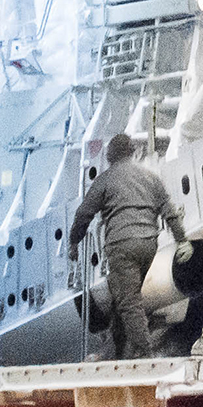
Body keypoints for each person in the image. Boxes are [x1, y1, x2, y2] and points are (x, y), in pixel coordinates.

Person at [74, 132, 178, 360]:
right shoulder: (149, 177)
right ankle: (131, 349)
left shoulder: (107, 179)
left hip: (123, 246)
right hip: (150, 243)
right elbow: (169, 210)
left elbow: (84, 213)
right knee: (129, 301)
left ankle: (142, 351)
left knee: (127, 302)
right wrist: (183, 240)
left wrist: (74, 242)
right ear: (133, 153)